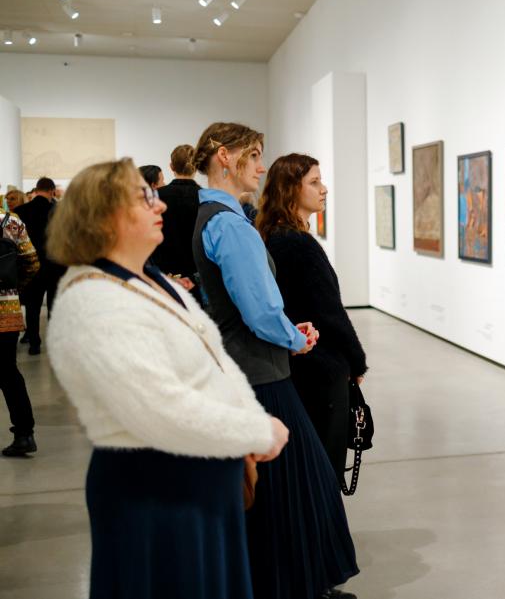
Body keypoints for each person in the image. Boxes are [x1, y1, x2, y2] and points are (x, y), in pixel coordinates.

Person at [45, 158, 289, 599]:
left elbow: (215, 358)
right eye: (144, 197)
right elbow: (155, 406)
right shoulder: (92, 301)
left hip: (199, 485)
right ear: (104, 215)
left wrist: (246, 420)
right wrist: (254, 429)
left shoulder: (155, 281)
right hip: (154, 492)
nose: (160, 206)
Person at [191, 122, 359, 599]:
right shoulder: (228, 224)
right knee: (299, 489)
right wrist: (294, 337)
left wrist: (286, 331)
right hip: (263, 376)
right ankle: (298, 586)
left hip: (251, 368)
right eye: (255, 154)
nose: (262, 166)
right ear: (226, 156)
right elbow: (260, 309)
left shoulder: (216, 216)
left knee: (280, 490)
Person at [258, 153, 368, 487]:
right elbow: (329, 312)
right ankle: (326, 536)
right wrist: (356, 362)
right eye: (314, 182)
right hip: (319, 369)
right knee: (325, 465)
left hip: (296, 366)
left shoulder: (271, 237)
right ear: (291, 190)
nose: (324, 189)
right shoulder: (297, 244)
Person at [0, 202, 40, 456]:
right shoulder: (11, 221)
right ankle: (24, 434)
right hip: (7, 309)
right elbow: (32, 262)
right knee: (8, 371)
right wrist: (14, 291)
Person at [14, 177, 56, 354]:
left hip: (31, 265)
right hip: (54, 265)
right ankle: (55, 343)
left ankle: (34, 343)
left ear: (37, 189)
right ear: (52, 191)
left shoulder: (20, 211)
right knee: (54, 306)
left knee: (32, 306)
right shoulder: (58, 212)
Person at [155, 145, 201, 299]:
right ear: (196, 166)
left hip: (165, 275)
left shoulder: (157, 197)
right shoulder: (206, 197)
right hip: (199, 275)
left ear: (171, 166)